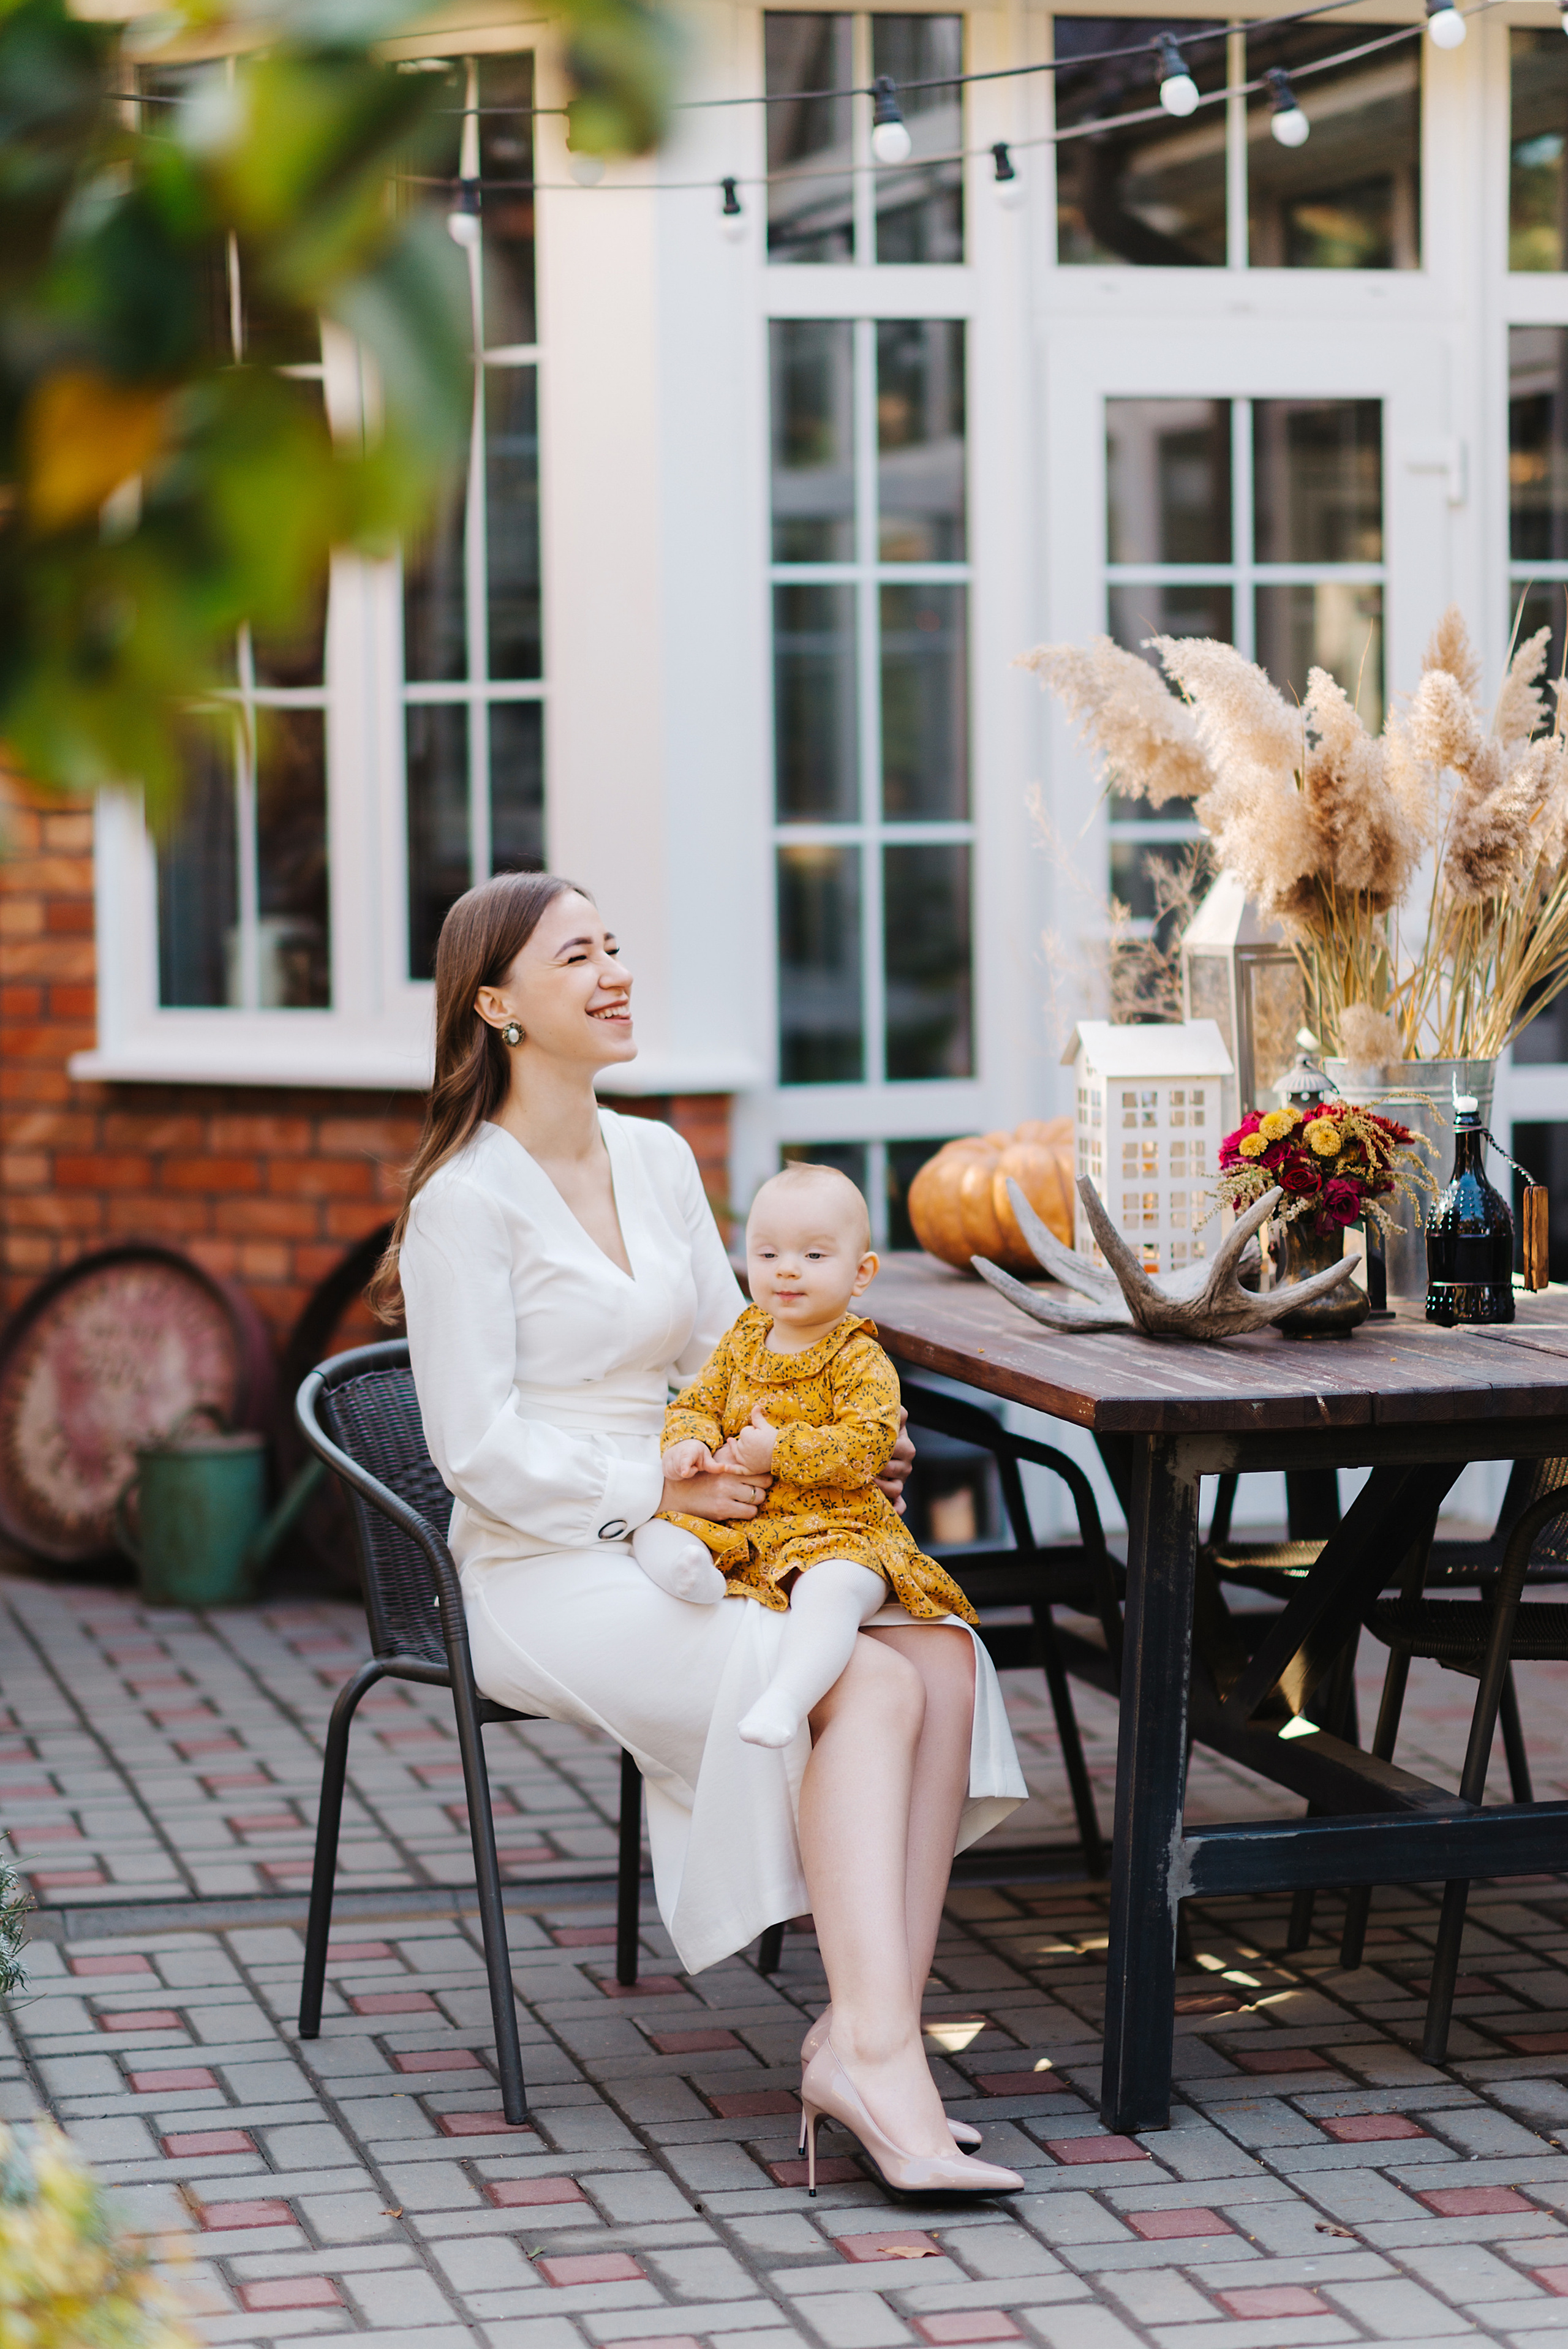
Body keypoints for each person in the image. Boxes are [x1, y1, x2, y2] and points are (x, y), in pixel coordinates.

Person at [377, 870, 1028, 2195]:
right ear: (496, 1005)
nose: (615, 973)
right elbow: (475, 1451)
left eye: (614, 947)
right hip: (543, 1563)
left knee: (944, 1657)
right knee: (864, 1683)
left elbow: (735, 1355)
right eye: (577, 957)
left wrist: (833, 1441)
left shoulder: (659, 1156)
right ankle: (882, 2061)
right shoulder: (463, 1201)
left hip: (711, 1516)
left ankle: (866, 2038)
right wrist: (654, 1489)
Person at [637, 1161, 980, 1754]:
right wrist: (687, 1442)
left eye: (814, 1255)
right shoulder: (744, 1337)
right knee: (658, 1524)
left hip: (837, 1530)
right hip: (751, 1525)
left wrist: (780, 1450)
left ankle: (788, 1696)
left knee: (833, 1588)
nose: (787, 1269)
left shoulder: (858, 1358)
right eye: (768, 1254)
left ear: (861, 1272)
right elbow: (697, 1400)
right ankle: (686, 1572)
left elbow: (867, 1445)